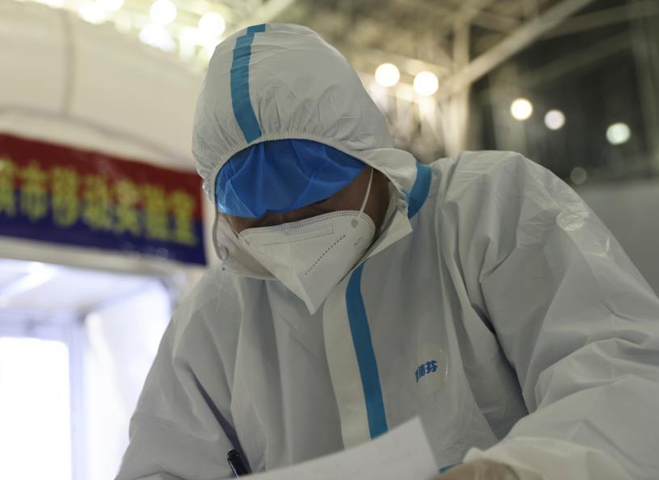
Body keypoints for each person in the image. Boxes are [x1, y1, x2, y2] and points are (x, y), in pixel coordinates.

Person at [118, 23, 659, 480]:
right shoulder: (217, 316)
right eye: (258, 217)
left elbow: (620, 368)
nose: (287, 228)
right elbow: (159, 465)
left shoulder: (489, 210)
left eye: (315, 202)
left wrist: (523, 469)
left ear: (370, 159)